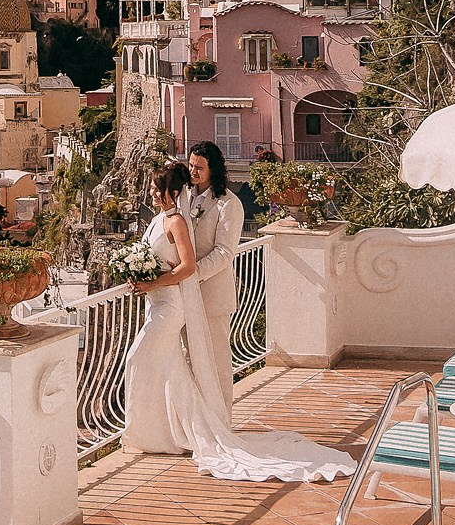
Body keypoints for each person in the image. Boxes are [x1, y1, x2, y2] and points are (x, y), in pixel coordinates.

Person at [120, 164, 349, 482]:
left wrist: (154, 283)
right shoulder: (159, 219)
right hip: (155, 304)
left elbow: (187, 267)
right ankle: (162, 434)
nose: (152, 193)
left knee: (138, 360)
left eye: (157, 189)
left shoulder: (177, 221)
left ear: (172, 193)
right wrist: (139, 274)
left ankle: (175, 433)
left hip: (169, 307)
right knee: (168, 370)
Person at [180, 140, 243, 416]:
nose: (193, 171)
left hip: (212, 295)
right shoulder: (185, 197)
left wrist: (193, 275)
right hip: (186, 296)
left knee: (217, 361)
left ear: (213, 170)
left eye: (199, 167)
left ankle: (222, 420)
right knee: (189, 358)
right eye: (191, 165)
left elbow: (224, 252)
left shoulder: (229, 204)